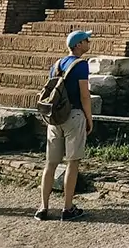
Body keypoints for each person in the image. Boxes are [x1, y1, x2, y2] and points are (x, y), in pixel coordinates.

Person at [36, 29, 93, 222]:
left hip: (54, 117)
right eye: (86, 40)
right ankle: (67, 208)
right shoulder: (81, 65)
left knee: (50, 163)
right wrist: (89, 118)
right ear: (78, 45)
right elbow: (84, 95)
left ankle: (43, 207)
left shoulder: (57, 64)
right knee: (72, 162)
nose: (88, 42)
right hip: (74, 116)